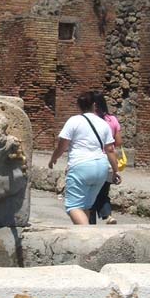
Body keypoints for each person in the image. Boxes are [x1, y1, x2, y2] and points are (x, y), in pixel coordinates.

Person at [47, 91, 120, 225]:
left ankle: (87, 234)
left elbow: (62, 146)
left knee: (73, 206)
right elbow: (110, 149)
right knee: (86, 205)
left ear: (78, 106)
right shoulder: (103, 123)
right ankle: (86, 233)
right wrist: (115, 170)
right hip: (101, 168)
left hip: (81, 166)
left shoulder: (74, 121)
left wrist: (53, 159)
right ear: (94, 105)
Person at [89, 93, 123, 225]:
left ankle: (90, 223)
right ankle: (107, 215)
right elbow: (118, 142)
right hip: (108, 161)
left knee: (90, 193)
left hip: (92, 160)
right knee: (103, 192)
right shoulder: (112, 120)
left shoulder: (89, 120)